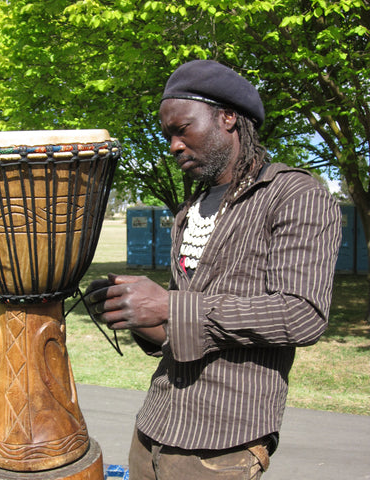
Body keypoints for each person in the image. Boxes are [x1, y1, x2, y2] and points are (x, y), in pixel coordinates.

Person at [86, 60, 341, 479]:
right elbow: (176, 333)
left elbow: (302, 315)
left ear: (227, 117)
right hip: (152, 429)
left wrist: (169, 305)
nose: (173, 146)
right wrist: (131, 312)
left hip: (221, 447)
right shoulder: (190, 210)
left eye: (182, 129)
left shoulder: (294, 194)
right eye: (168, 134)